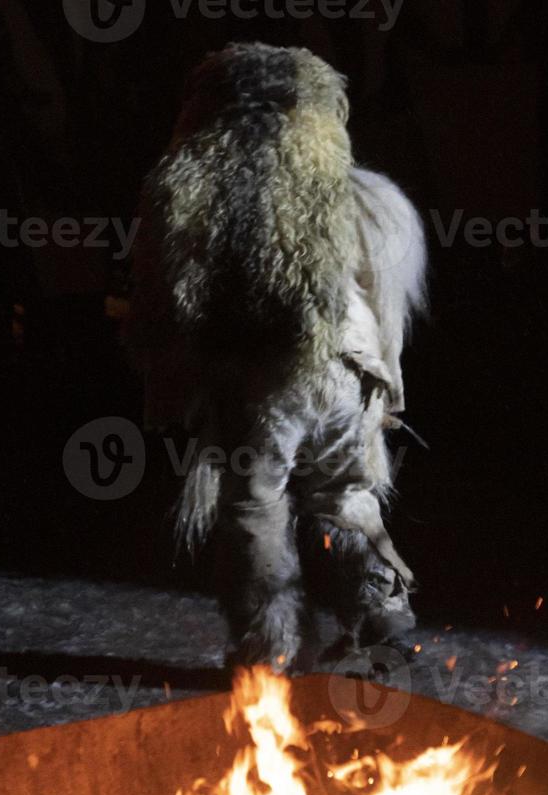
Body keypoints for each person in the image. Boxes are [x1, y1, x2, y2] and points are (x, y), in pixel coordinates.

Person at [127, 43, 426, 671]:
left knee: (254, 500)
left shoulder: (182, 198)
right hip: (348, 370)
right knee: (346, 489)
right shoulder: (363, 196)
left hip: (259, 381)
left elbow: (160, 303)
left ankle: (267, 647)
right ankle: (381, 611)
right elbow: (386, 304)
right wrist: (388, 392)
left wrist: (169, 390)